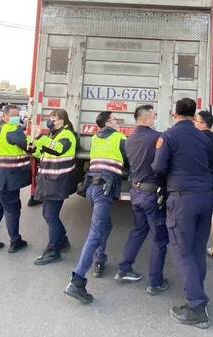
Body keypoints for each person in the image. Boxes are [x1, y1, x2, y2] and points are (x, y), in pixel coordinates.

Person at [152, 97, 213, 328]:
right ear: (193, 113)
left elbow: (158, 167)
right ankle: (198, 293)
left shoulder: (168, 136)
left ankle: (196, 306)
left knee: (181, 250)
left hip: (182, 198)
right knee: (197, 249)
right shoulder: (203, 136)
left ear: (175, 113)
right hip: (205, 196)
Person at [65, 111, 129, 303]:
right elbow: (128, 159)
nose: (117, 122)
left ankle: (99, 260)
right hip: (104, 187)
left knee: (105, 226)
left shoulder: (95, 137)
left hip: (92, 186)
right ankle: (77, 280)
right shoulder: (119, 137)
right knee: (96, 231)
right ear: (108, 123)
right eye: (114, 119)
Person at [114, 104, 169, 295]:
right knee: (159, 238)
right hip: (151, 194)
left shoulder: (128, 140)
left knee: (138, 230)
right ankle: (155, 282)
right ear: (146, 119)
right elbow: (163, 165)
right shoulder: (158, 138)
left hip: (135, 193)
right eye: (153, 116)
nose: (155, 119)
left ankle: (124, 269)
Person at [0, 105, 32, 254]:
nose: (17, 117)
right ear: (5, 116)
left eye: (18, 114)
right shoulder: (12, 129)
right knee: (12, 210)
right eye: (14, 115)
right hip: (7, 180)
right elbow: (27, 145)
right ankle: (15, 241)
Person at [33, 108, 78, 266]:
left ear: (62, 120)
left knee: (51, 216)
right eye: (51, 117)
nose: (51, 120)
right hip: (49, 181)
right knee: (48, 215)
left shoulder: (67, 135)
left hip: (57, 182)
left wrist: (41, 137)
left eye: (55, 118)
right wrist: (34, 147)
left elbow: (58, 150)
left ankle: (53, 251)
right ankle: (62, 241)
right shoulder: (54, 135)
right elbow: (42, 153)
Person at [194, 110, 213, 260]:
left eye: (196, 121)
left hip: (201, 180)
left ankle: (197, 247)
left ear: (203, 124)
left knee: (197, 213)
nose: (194, 123)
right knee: (208, 212)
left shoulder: (197, 138)